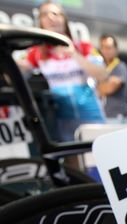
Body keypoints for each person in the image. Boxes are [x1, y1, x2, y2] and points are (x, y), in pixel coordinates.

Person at [17, 0, 107, 142]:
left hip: (91, 117)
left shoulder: (83, 46)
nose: (51, 18)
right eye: (45, 14)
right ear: (40, 22)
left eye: (55, 14)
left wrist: (74, 54)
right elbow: (17, 74)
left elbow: (102, 74)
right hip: (62, 121)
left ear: (64, 19)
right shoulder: (37, 52)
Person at [97, 34, 127, 122]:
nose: (106, 50)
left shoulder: (121, 67)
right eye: (103, 47)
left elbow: (110, 88)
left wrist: (99, 87)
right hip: (104, 116)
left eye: (109, 47)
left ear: (116, 49)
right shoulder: (99, 67)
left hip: (119, 117)